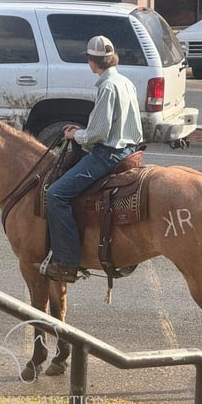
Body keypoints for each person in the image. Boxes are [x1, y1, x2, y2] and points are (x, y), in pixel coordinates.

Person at [40, 35, 144, 283]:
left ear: (91, 62)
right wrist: (83, 132)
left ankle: (66, 262)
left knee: (56, 194)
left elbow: (99, 133)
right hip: (131, 150)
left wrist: (76, 135)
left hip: (108, 154)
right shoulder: (125, 82)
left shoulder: (106, 87)